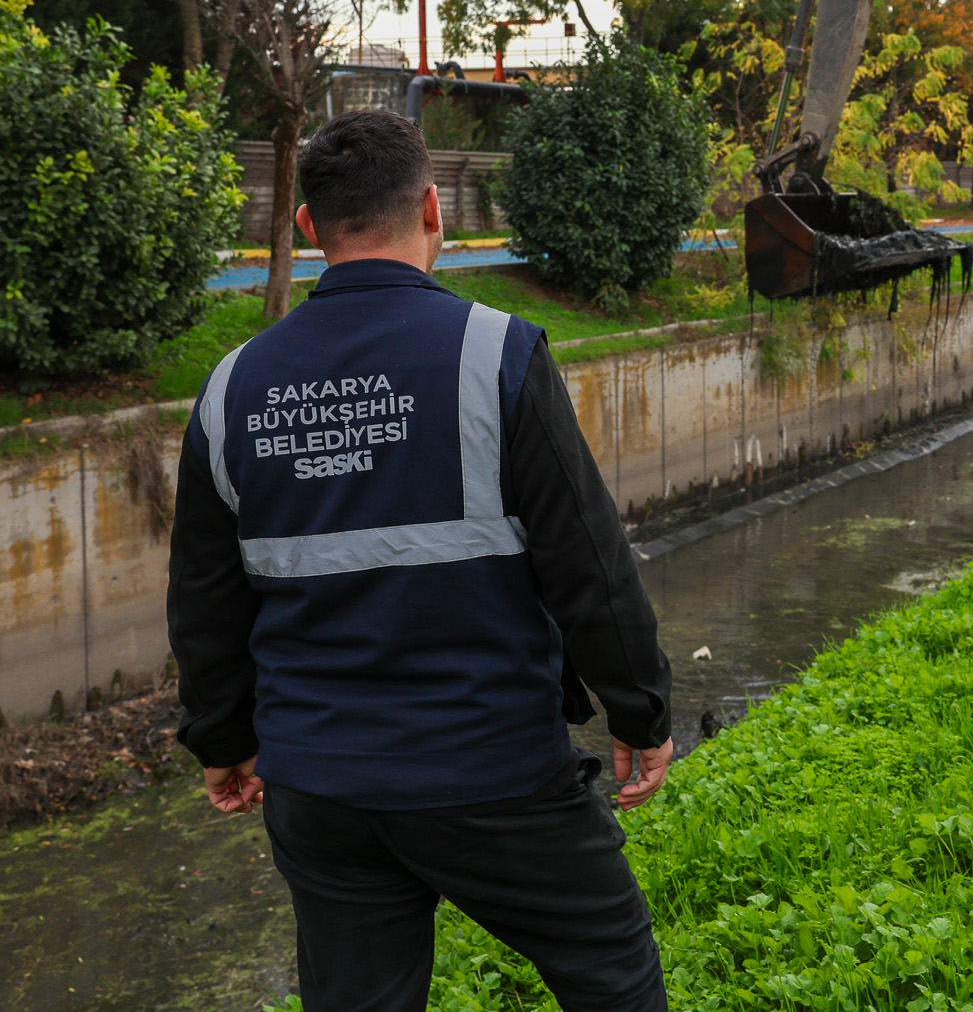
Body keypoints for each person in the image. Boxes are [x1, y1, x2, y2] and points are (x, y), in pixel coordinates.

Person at [167, 110, 675, 1012]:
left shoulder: (230, 388)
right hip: (492, 771)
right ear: (435, 210)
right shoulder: (496, 353)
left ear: (308, 228)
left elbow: (206, 598)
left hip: (320, 784)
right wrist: (639, 708)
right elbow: (587, 558)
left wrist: (223, 738)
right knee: (609, 963)